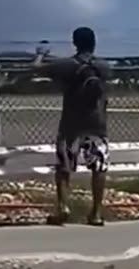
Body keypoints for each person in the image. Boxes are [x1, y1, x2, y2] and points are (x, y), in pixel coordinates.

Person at [32, 27, 112, 226]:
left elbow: (36, 68)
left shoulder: (67, 65)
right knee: (99, 168)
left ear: (74, 43)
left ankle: (63, 207)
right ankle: (96, 213)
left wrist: (41, 55)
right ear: (94, 42)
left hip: (71, 125)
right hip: (98, 124)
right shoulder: (104, 66)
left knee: (64, 168)